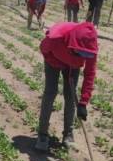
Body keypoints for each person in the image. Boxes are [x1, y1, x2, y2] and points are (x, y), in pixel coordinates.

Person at [35, 22, 98, 151]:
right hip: (54, 60)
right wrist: (59, 62)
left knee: (71, 96)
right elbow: (44, 50)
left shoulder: (91, 46)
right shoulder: (55, 38)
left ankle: (68, 134)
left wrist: (83, 102)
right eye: (81, 53)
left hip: (72, 65)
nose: (85, 57)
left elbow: (89, 73)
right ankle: (42, 134)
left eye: (86, 55)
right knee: (50, 92)